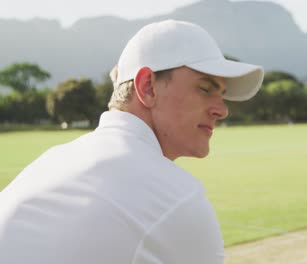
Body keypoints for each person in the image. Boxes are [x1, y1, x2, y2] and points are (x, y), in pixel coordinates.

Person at [0, 20, 264, 264]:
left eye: (222, 95)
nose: (222, 110)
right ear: (147, 87)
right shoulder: (177, 200)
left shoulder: (47, 163)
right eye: (205, 89)